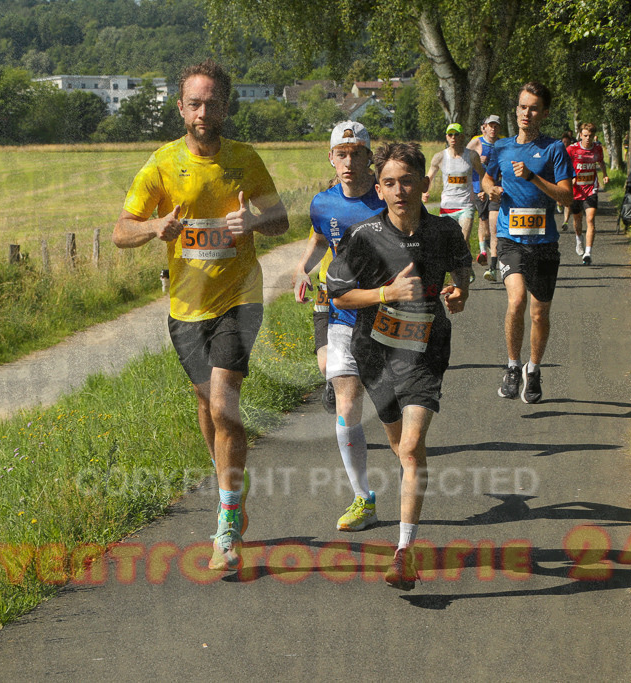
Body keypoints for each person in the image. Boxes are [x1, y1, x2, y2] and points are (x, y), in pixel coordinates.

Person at [112, 59, 289, 571]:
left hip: (239, 298)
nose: (203, 112)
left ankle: (226, 527)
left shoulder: (246, 160)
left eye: (212, 103)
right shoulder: (162, 164)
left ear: (226, 107)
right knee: (205, 402)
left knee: (223, 403)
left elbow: (279, 220)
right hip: (185, 305)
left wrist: (252, 219)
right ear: (181, 108)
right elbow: (122, 229)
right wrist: (155, 229)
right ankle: (229, 483)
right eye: (194, 103)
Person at [328, 142, 472, 590]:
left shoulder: (445, 232)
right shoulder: (365, 235)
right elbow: (338, 295)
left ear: (425, 184)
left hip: (426, 351)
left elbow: (461, 272)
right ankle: (408, 512)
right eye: (389, 183)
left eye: (407, 180)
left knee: (410, 448)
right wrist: (385, 295)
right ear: (379, 187)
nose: (399, 190)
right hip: (375, 355)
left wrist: (459, 293)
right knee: (401, 447)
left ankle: (404, 551)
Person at [293, 121, 386, 532]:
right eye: (341, 154)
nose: (349, 162)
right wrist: (302, 269)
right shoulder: (323, 203)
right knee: (348, 404)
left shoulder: (386, 198)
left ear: (369, 157)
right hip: (340, 311)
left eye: (357, 154)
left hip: (385, 315)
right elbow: (319, 238)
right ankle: (363, 497)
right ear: (331, 158)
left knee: (390, 409)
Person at [481, 81, 574, 404]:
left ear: (544, 113)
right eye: (522, 106)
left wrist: (533, 177)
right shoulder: (501, 147)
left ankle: (533, 370)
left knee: (539, 313)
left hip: (545, 242)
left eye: (533, 108)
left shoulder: (554, 150)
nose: (526, 113)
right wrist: (491, 188)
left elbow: (567, 196)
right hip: (510, 239)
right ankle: (512, 366)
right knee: (517, 300)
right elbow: (487, 176)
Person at [423, 123, 482, 263]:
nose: (453, 137)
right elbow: (429, 177)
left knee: (462, 239)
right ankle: (463, 265)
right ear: (446, 137)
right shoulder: (439, 157)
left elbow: (482, 174)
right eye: (450, 134)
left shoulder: (472, 156)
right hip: (447, 205)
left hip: (466, 204)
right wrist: (424, 192)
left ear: (462, 137)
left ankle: (464, 267)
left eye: (456, 134)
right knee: (447, 241)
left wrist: (483, 190)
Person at [567, 123, 609, 265]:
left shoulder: (597, 149)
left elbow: (601, 162)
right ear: (580, 135)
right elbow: (563, 165)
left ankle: (588, 253)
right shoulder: (572, 149)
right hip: (575, 191)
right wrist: (570, 178)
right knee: (577, 220)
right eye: (585, 135)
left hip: (591, 189)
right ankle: (579, 240)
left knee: (590, 220)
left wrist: (605, 175)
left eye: (590, 136)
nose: (587, 138)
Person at [467, 115, 503, 281]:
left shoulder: (502, 144)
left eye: (496, 126)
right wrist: (476, 160)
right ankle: (484, 250)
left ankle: (493, 265)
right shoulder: (477, 142)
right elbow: (462, 159)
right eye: (491, 126)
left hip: (495, 191)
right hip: (478, 190)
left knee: (494, 226)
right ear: (484, 127)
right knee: (484, 225)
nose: (493, 129)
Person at [557, 130, 575, 232]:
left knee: (568, 201)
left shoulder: (572, 152)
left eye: (567, 143)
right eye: (564, 142)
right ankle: (559, 203)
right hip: (558, 177)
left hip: (568, 177)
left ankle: (565, 221)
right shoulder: (557, 151)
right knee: (559, 197)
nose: (566, 144)